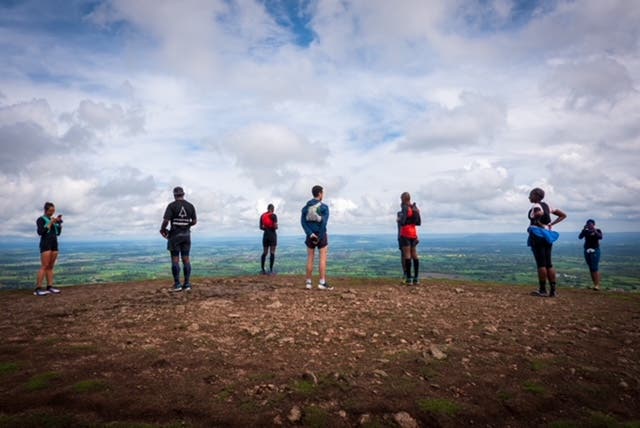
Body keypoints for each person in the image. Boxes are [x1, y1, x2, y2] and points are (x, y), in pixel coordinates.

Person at [527, 187, 567, 297]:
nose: (529, 197)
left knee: (541, 264)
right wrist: (550, 225)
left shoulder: (536, 206)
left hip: (537, 236)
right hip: (548, 235)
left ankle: (543, 290)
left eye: (530, 195)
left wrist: (537, 222)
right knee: (548, 263)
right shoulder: (547, 206)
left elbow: (538, 213)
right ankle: (553, 291)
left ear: (536, 195)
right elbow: (563, 215)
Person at [160, 187, 197, 292]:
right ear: (183, 194)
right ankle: (187, 284)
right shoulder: (190, 206)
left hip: (174, 236)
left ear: (174, 195)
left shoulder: (172, 206)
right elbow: (194, 221)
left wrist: (162, 229)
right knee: (186, 259)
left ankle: (177, 284)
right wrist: (186, 225)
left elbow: (166, 221)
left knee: (175, 260)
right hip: (186, 236)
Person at [301, 185, 331, 290]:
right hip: (321, 236)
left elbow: (303, 222)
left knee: (310, 258)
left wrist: (310, 234)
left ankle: (308, 283)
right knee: (322, 258)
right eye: (322, 193)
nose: (323, 195)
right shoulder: (324, 207)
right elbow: (324, 222)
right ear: (319, 194)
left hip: (310, 236)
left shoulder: (305, 208)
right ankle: (322, 283)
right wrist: (320, 235)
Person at [34, 202, 63, 296]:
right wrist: (51, 222)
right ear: (45, 210)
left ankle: (50, 287)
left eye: (53, 211)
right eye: (50, 210)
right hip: (45, 244)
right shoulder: (41, 219)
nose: (52, 212)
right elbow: (41, 232)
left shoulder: (52, 220)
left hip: (54, 244)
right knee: (44, 266)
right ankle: (38, 289)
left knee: (50, 266)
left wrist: (58, 223)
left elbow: (58, 233)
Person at [398, 192, 422, 285]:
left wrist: (399, 219)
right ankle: (416, 278)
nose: (401, 200)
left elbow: (403, 221)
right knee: (414, 255)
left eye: (401, 198)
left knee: (407, 255)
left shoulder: (405, 207)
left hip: (406, 233)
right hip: (413, 233)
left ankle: (409, 279)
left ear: (404, 199)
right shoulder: (414, 207)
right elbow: (418, 222)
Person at [579, 219, 603, 290]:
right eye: (588, 224)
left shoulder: (598, 230)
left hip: (595, 250)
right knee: (591, 268)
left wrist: (594, 230)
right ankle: (595, 285)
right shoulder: (585, 231)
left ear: (594, 224)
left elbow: (600, 237)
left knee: (594, 268)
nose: (589, 225)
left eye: (590, 224)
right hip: (587, 250)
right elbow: (580, 237)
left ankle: (597, 285)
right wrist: (583, 229)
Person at [259, 204, 278, 275]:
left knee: (265, 252)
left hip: (265, 235)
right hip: (272, 235)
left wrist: (266, 228)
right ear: (272, 209)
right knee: (272, 252)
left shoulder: (262, 216)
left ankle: (263, 269)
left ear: (267, 208)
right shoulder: (273, 215)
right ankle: (271, 270)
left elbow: (260, 227)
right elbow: (276, 227)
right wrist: (273, 227)